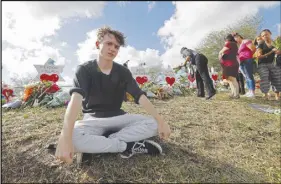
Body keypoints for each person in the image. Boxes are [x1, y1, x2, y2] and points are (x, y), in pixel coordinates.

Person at [54, 26, 171, 164]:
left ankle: (99, 144)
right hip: (93, 119)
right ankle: (126, 146)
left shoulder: (123, 72)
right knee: (71, 138)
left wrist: (161, 121)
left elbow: (140, 96)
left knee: (154, 124)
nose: (113, 49)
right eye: (109, 44)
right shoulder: (85, 70)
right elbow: (75, 101)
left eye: (116, 46)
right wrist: (65, 136)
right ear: (98, 45)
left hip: (119, 117)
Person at [256, 29, 281, 101]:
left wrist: (279, 52)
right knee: (265, 79)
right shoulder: (261, 43)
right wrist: (271, 52)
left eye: (266, 34)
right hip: (262, 64)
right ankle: (265, 94)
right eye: (263, 35)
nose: (265, 36)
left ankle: (277, 95)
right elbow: (259, 56)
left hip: (273, 63)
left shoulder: (275, 43)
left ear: (270, 34)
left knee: (277, 79)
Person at [233, 32, 256, 98]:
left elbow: (253, 48)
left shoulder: (245, 41)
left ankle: (252, 92)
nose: (235, 39)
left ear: (239, 36)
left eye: (236, 37)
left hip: (247, 60)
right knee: (246, 77)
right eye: (234, 38)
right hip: (242, 61)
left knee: (249, 76)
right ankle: (249, 91)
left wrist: (250, 56)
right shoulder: (239, 45)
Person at [218, 34, 240, 99]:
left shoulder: (229, 43)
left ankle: (236, 94)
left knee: (233, 79)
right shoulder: (234, 45)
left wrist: (220, 54)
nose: (224, 42)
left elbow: (221, 51)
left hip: (231, 64)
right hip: (229, 64)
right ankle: (233, 93)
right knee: (230, 80)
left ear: (227, 39)